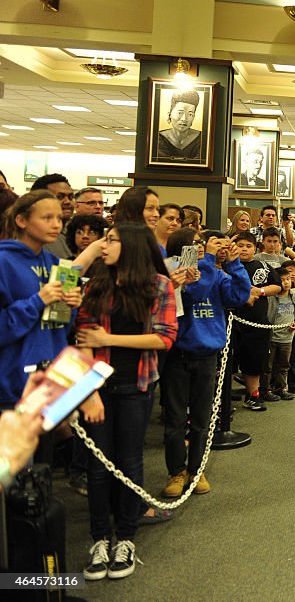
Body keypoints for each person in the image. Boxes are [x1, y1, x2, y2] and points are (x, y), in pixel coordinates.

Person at [76, 223, 178, 581]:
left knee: (130, 461)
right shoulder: (96, 285)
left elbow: (163, 339)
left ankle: (126, 537)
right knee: (98, 465)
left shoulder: (159, 286)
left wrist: (110, 337)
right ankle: (100, 538)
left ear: (132, 245)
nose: (103, 245)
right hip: (97, 387)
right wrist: (87, 392)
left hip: (137, 384)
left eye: (111, 240)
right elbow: (84, 338)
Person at [162, 229, 250, 499]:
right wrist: (209, 258)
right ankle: (177, 471)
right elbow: (193, 293)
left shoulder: (217, 273)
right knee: (176, 419)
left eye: (204, 245)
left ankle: (196, 469)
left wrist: (234, 263)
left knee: (202, 418)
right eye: (197, 245)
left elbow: (238, 296)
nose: (202, 248)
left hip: (207, 355)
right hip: (177, 355)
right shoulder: (176, 273)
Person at [0, 192, 83, 410]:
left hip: (50, 378)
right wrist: (38, 301)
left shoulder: (59, 265)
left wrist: (71, 307)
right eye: (47, 218)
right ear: (21, 220)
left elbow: (59, 327)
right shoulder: (4, 262)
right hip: (11, 383)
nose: (56, 225)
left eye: (59, 218)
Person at [232, 231, 282, 409]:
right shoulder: (226, 266)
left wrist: (259, 291)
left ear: (255, 248)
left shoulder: (263, 265)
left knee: (255, 359)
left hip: (257, 322)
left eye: (248, 246)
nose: (244, 249)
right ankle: (223, 399)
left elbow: (277, 286)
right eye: (240, 245)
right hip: (231, 322)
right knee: (227, 361)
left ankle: (253, 395)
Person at [266, 272, 295, 400]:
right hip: (271, 337)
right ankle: (266, 389)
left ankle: (281, 388)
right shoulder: (271, 297)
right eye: (282, 280)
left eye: (288, 279)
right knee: (268, 365)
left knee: (284, 365)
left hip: (287, 338)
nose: (286, 282)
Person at [31, 174, 75, 259]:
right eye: (60, 197)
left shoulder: (77, 233)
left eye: (71, 197)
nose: (68, 202)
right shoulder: (35, 237)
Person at [156, 89, 202, 162]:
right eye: (180, 113)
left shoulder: (202, 139)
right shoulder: (159, 138)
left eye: (190, 114)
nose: (184, 119)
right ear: (170, 114)